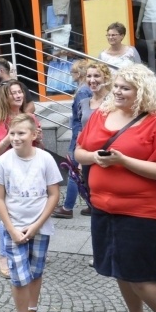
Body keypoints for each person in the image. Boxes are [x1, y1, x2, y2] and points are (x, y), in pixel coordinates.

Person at [75, 64, 156, 312]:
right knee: (119, 270)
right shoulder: (102, 113)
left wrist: (124, 161)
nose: (119, 91)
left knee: (142, 276)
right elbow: (79, 151)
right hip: (102, 208)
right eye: (118, 86)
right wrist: (96, 159)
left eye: (126, 87)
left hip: (140, 210)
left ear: (142, 90)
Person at [0, 114, 61, 312]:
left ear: (34, 135)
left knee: (35, 272)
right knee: (20, 278)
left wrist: (37, 225)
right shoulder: (4, 161)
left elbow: (53, 194)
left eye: (21, 133)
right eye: (12, 133)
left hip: (39, 226)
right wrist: (11, 230)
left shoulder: (45, 159)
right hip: (14, 228)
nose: (16, 137)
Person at [0, 81, 43, 278]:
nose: (18, 95)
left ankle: (29, 244)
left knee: (30, 207)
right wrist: (11, 136)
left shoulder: (30, 118)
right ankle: (3, 255)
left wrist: (37, 138)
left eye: (20, 92)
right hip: (8, 173)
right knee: (6, 214)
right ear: (5, 98)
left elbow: (38, 147)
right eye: (13, 93)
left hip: (30, 170)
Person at [52, 59, 92, 218]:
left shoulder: (82, 91)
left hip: (79, 135)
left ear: (80, 73)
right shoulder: (86, 89)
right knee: (82, 173)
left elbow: (82, 117)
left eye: (73, 72)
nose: (71, 75)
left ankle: (67, 208)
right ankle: (91, 204)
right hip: (81, 133)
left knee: (74, 172)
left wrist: (78, 140)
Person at [74, 62, 113, 217]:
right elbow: (81, 132)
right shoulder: (84, 103)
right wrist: (78, 158)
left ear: (106, 78)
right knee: (93, 197)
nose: (92, 80)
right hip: (88, 157)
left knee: (109, 197)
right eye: (89, 76)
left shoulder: (112, 102)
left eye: (97, 76)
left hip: (107, 155)